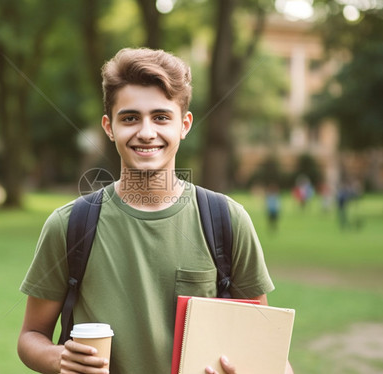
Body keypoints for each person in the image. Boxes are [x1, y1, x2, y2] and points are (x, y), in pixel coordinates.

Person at [17, 48, 293, 374]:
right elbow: (31, 336)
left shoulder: (227, 221)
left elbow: (268, 355)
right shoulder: (69, 225)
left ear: (184, 124)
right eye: (130, 118)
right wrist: (59, 358)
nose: (146, 132)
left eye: (161, 117)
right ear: (109, 127)